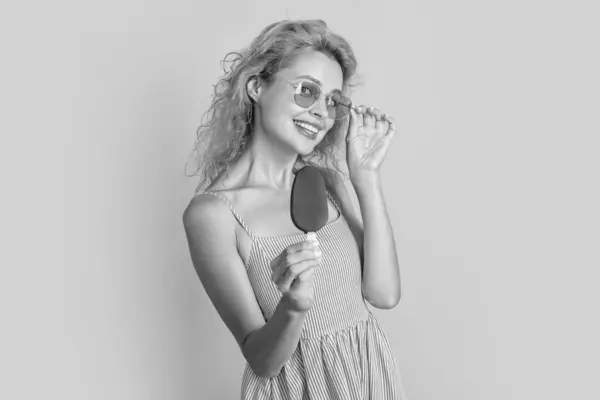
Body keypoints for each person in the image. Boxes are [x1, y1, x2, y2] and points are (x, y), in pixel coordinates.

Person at [183, 19, 406, 399]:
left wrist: (366, 179)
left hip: (368, 377)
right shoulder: (213, 215)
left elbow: (383, 295)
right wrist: (294, 305)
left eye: (332, 101)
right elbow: (263, 361)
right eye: (306, 91)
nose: (321, 112)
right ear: (257, 86)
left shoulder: (327, 183)